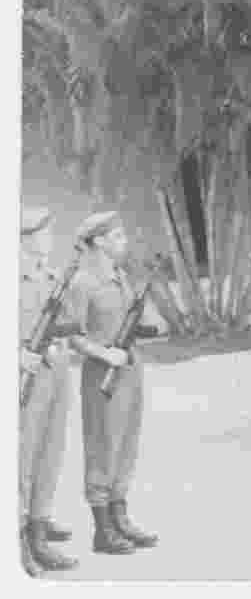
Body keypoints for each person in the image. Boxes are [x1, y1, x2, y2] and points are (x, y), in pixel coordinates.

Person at [68, 211, 158, 555]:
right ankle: (102, 529)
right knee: (102, 446)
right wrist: (105, 354)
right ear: (99, 241)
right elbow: (73, 335)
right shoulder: (82, 283)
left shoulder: (120, 277)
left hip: (130, 371)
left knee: (126, 445)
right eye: (117, 236)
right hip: (102, 375)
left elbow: (129, 320)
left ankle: (120, 517)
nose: (124, 241)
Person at [19, 207, 79, 574]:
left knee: (50, 453)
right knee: (22, 457)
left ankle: (39, 533)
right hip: (26, 376)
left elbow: (70, 323)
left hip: (57, 372)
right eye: (43, 233)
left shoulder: (54, 276)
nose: (50, 238)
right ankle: (17, 539)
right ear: (25, 238)